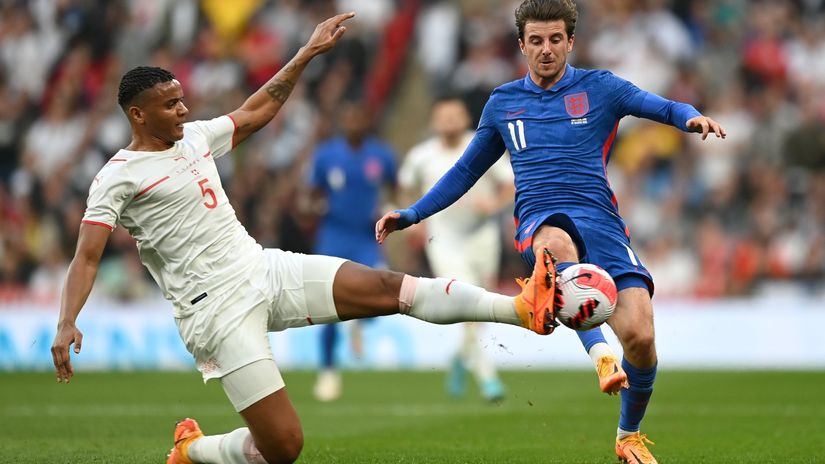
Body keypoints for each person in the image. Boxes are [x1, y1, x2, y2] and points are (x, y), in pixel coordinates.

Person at [49, 12, 557, 464]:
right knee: (284, 448)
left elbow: (257, 110)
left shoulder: (196, 137)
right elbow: (87, 257)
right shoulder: (118, 176)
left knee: (390, 288)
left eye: (182, 100)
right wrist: (67, 321)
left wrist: (307, 53)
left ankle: (518, 308)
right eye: (169, 105)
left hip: (259, 267)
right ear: (138, 114)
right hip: (212, 309)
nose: (183, 111)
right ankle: (194, 449)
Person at [375, 1, 727, 463]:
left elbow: (660, 106)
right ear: (521, 45)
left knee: (641, 339)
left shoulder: (601, 87)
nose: (546, 50)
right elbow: (466, 171)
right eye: (536, 41)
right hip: (540, 219)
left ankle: (628, 435)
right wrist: (414, 213)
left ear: (570, 42)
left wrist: (690, 118)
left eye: (555, 39)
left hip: (601, 221)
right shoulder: (502, 102)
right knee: (555, 245)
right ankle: (600, 353)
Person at [398, 96, 512, 402]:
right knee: (467, 303)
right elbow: (405, 186)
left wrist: (494, 204)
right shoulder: (421, 156)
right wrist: (417, 220)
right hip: (444, 241)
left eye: (455, 114)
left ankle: (461, 359)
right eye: (443, 115)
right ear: (434, 121)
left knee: (481, 312)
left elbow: (509, 184)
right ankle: (488, 378)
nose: (449, 120)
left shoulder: (482, 144)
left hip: (482, 238)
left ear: (465, 118)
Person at [307, 100, 397, 402]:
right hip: (333, 236)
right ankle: (328, 372)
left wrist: (388, 209)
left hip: (366, 237)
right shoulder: (326, 155)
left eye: (358, 116)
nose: (353, 122)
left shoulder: (382, 155)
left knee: (384, 292)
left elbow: (394, 189)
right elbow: (311, 196)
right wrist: (315, 206)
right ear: (341, 121)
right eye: (348, 117)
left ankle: (358, 322)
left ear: (367, 120)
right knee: (325, 306)